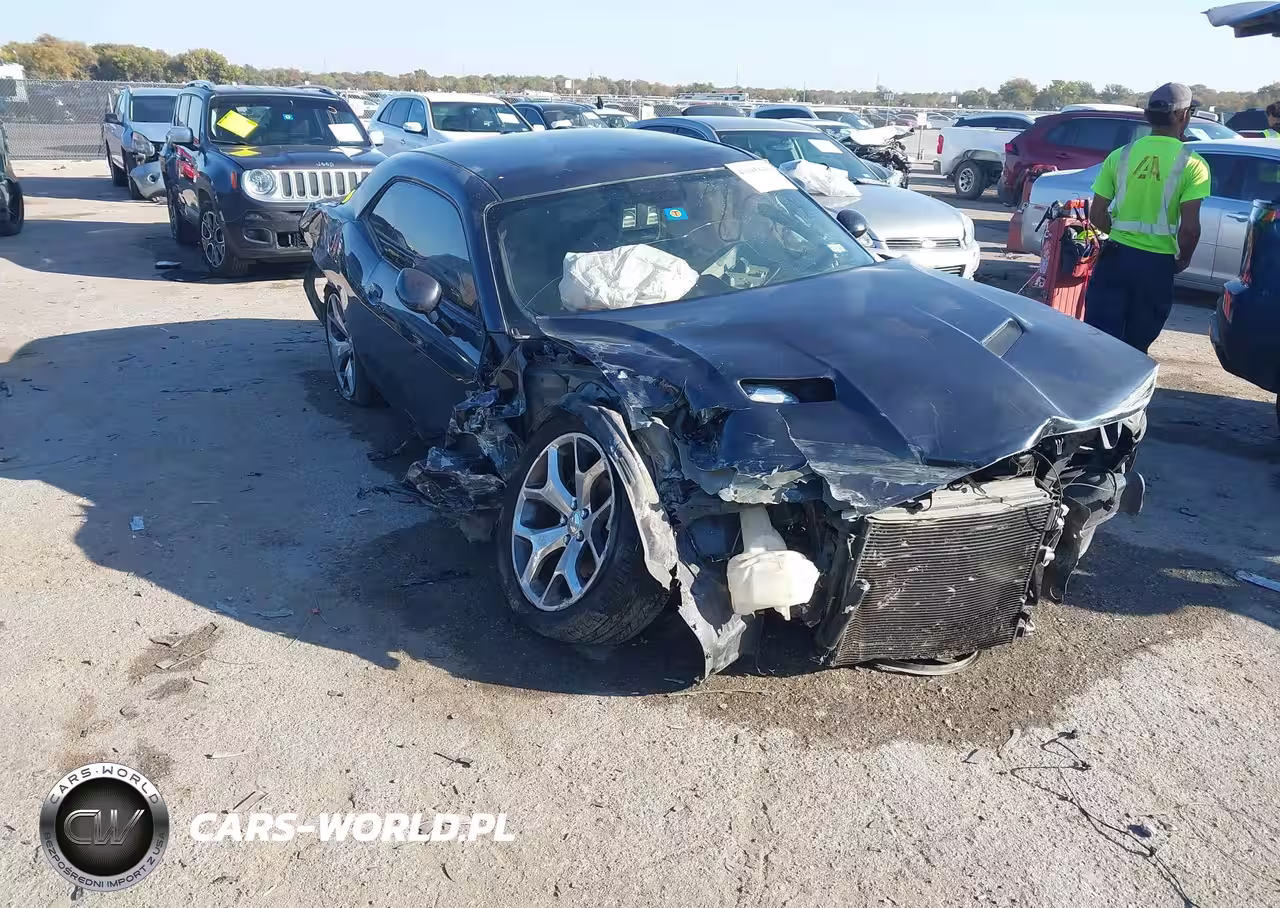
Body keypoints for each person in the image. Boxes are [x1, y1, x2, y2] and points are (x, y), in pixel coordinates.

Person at [1083, 83, 1211, 354]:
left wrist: (1119, 234)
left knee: (1099, 341)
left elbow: (1097, 214)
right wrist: (1183, 259)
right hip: (1156, 265)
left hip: (1115, 258)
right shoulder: (1194, 164)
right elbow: (1190, 230)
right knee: (1137, 345)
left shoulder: (1121, 155)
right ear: (1182, 115)